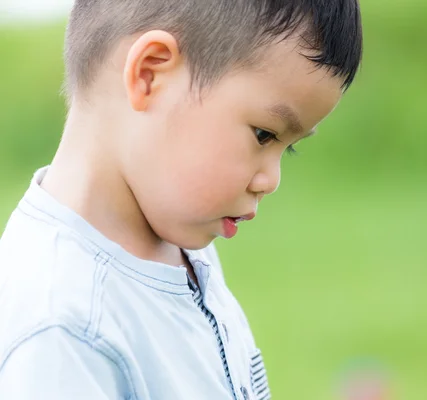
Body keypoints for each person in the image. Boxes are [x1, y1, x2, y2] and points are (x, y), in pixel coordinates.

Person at [0, 0, 362, 398]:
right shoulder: (63, 335)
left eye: (288, 148)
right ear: (150, 74)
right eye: (264, 134)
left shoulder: (181, 246)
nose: (271, 180)